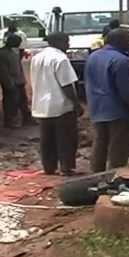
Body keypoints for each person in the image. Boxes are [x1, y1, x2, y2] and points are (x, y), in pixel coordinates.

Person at [84, 28, 129, 172]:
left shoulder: (93, 57)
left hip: (97, 109)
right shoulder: (121, 60)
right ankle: (114, 179)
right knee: (118, 149)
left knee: (99, 144)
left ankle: (95, 178)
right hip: (118, 112)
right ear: (120, 42)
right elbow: (127, 91)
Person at [30, 32, 82, 176]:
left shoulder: (37, 57)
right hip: (61, 106)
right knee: (66, 138)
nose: (68, 45)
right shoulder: (61, 59)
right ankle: (66, 167)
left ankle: (49, 167)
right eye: (66, 42)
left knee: (47, 139)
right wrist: (76, 104)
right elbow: (66, 84)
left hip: (41, 105)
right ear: (58, 42)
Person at [0, 34, 24, 128]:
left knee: (17, 100)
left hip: (16, 80)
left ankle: (14, 119)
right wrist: (9, 83)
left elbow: (18, 66)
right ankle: (9, 121)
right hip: (9, 80)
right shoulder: (2, 53)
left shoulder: (14, 51)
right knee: (10, 101)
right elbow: (3, 70)